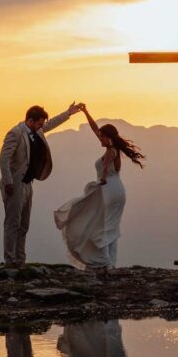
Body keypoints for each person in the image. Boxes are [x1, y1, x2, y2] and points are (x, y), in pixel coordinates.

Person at [53, 106, 144, 269]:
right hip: (117, 190)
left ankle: (103, 260)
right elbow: (96, 129)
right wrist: (86, 113)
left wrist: (101, 178)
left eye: (102, 137)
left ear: (108, 138)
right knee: (110, 227)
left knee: (102, 225)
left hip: (108, 190)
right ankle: (110, 262)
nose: (99, 139)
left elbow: (106, 165)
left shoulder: (110, 150)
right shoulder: (112, 146)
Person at [0, 101, 82, 266]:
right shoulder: (15, 133)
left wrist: (68, 113)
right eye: (39, 123)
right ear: (30, 120)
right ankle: (9, 260)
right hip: (15, 184)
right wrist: (8, 182)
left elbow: (51, 124)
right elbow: (4, 158)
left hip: (28, 184)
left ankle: (20, 260)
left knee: (24, 225)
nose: (42, 126)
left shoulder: (37, 131)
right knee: (12, 223)